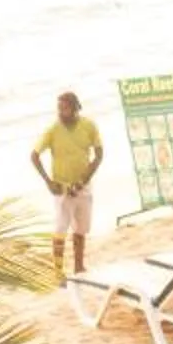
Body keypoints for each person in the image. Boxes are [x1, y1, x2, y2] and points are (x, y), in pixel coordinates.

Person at [30, 90, 106, 278]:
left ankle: (79, 267)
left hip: (83, 186)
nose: (60, 112)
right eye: (59, 108)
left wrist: (82, 181)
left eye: (64, 108)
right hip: (62, 188)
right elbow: (34, 155)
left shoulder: (89, 126)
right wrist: (48, 182)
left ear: (75, 109)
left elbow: (99, 155)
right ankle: (57, 272)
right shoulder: (52, 130)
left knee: (81, 229)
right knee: (60, 229)